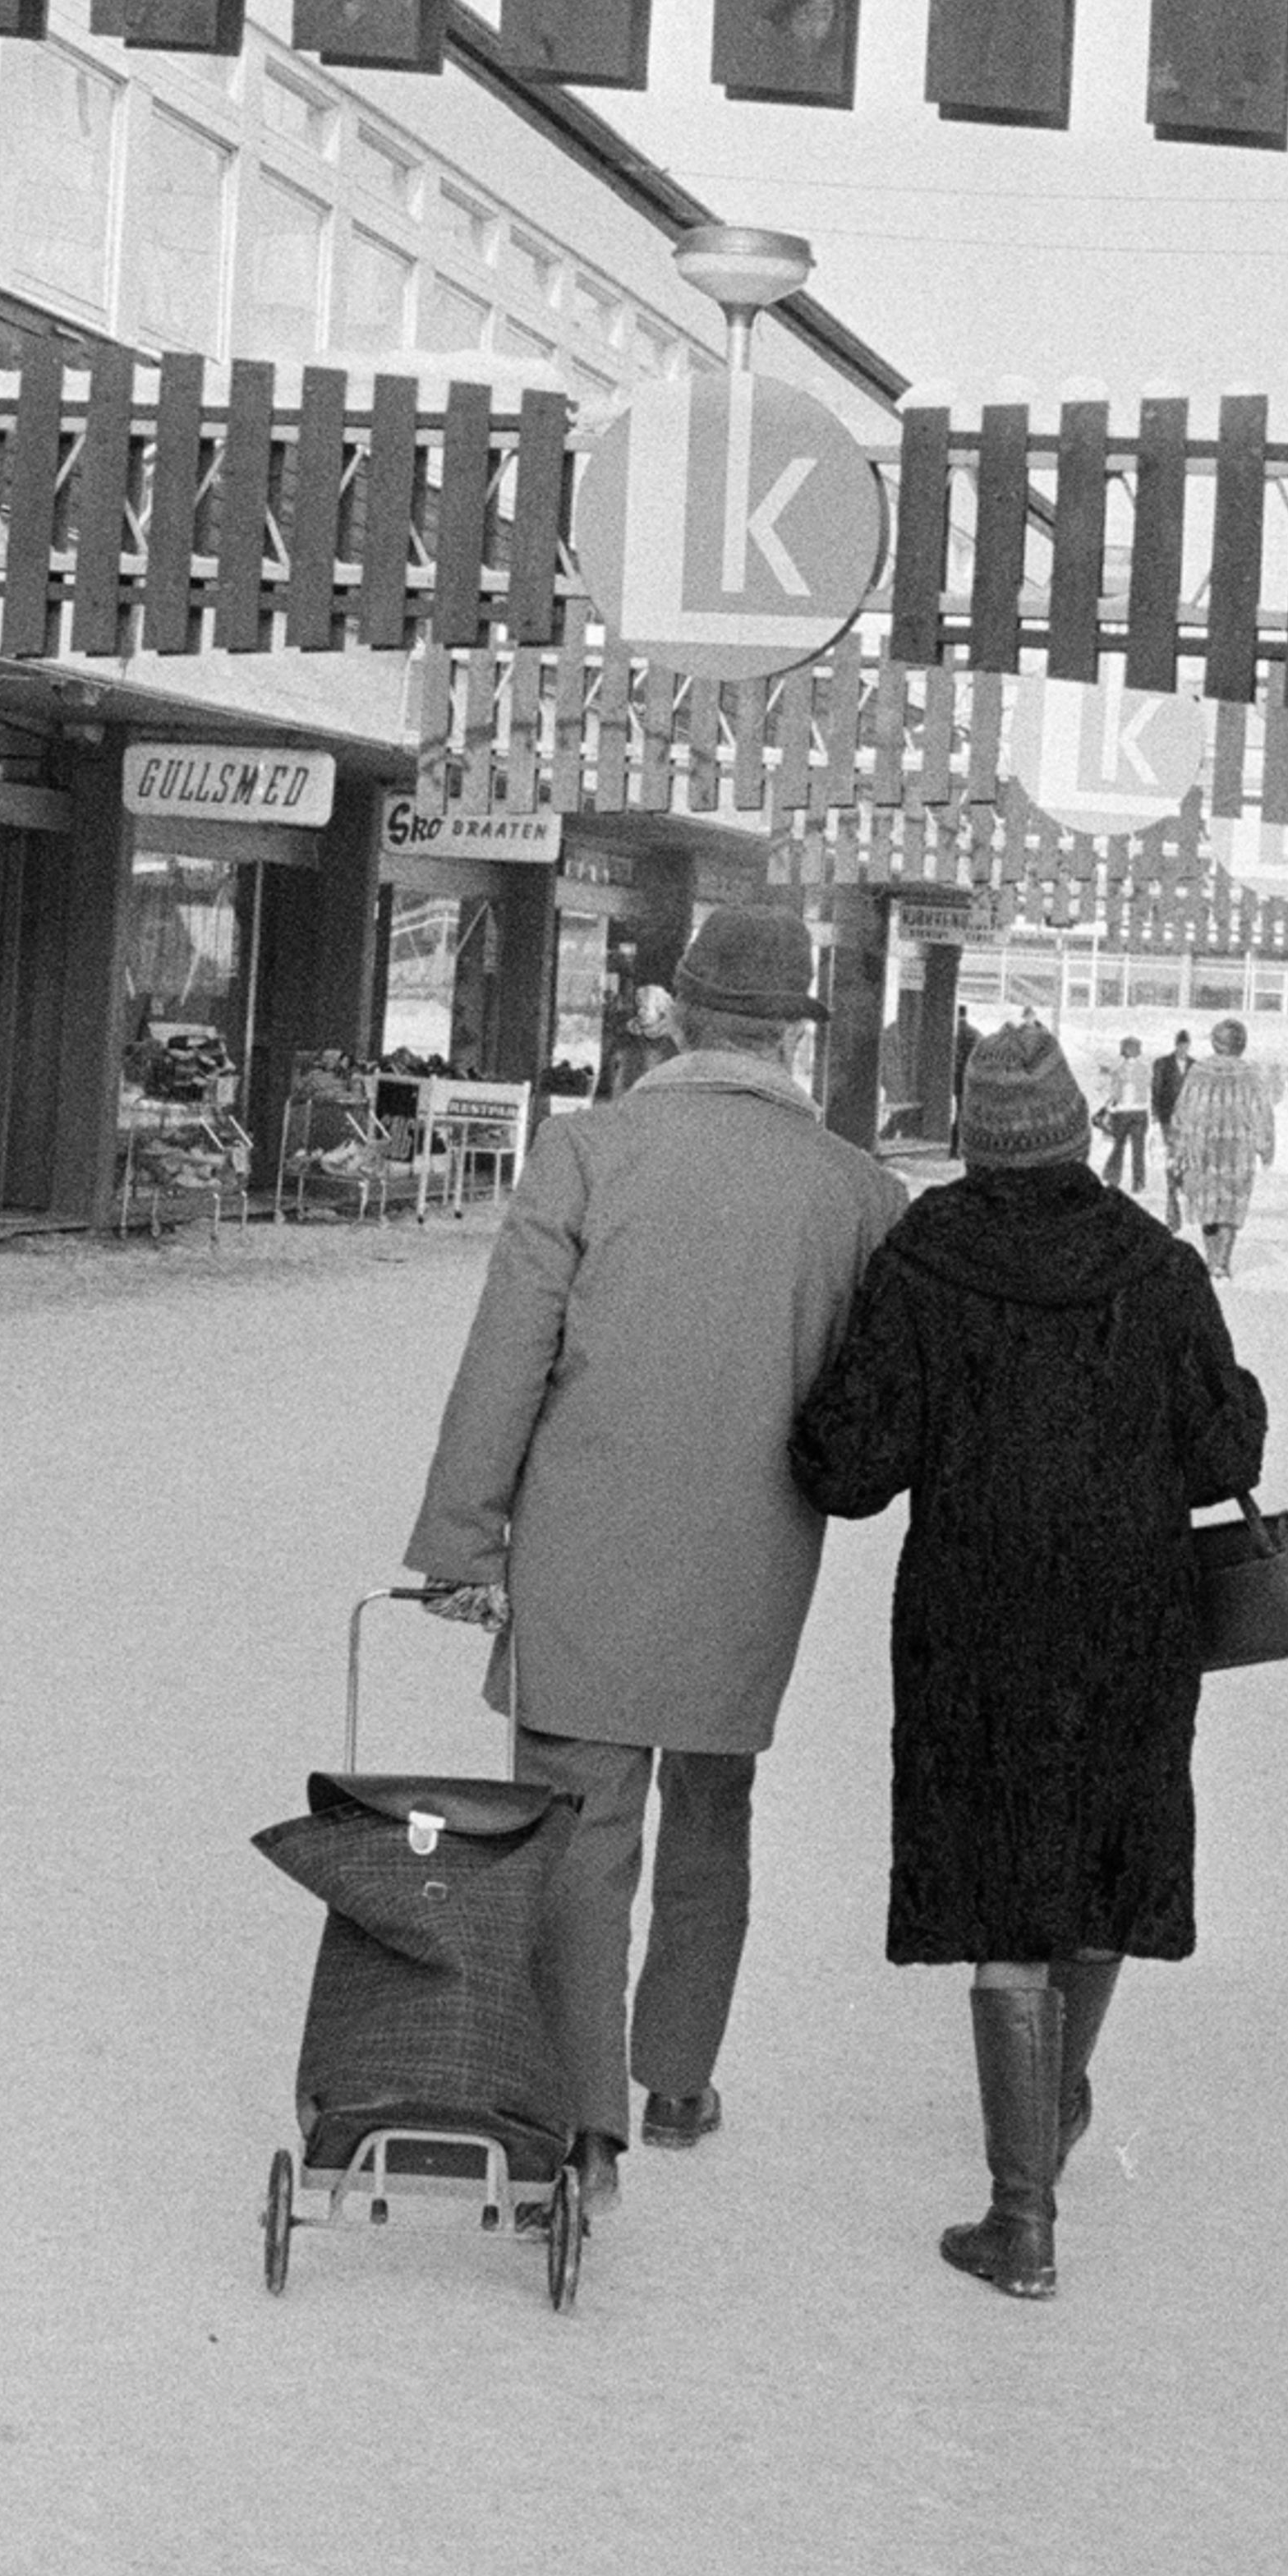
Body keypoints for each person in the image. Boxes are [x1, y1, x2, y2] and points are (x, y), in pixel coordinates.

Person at [403, 901, 904, 2214]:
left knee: (578, 1822)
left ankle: (583, 2120)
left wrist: (463, 1538)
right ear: (793, 1036)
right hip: (757, 1550)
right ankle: (679, 2074)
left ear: (673, 1018)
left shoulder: (585, 1153)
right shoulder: (861, 1193)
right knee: (715, 1802)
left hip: (584, 1545)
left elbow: (504, 1360)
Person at [793, 1015, 1270, 2303]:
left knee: (1001, 1885)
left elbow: (849, 1467)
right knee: (1103, 1864)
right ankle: (1050, 2106)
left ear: (974, 1140)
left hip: (975, 1615)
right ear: (1073, 1132)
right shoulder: (1157, 1265)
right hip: (1130, 1615)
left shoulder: (925, 1260)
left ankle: (1022, 2214)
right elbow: (1227, 1454)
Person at [1170, 1014, 1279, 1277]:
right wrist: (1265, 1145)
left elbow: (1183, 1109)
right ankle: (1222, 1261)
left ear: (1216, 1043)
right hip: (1237, 1150)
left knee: (1207, 1203)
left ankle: (1211, 1260)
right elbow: (1262, 1112)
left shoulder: (1198, 1071)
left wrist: (1177, 1143)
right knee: (1231, 1205)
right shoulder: (1250, 1074)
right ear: (1241, 1044)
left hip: (1202, 1146)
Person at [1148, 1022, 1196, 1223]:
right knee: (1171, 1149)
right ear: (1176, 1045)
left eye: (1186, 1045)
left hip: (1188, 1116)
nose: (1183, 1049)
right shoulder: (1163, 1064)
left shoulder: (1195, 1065)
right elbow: (1156, 1088)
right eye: (1181, 1045)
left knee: (1185, 1150)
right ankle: (1172, 1182)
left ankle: (1181, 1178)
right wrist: (1156, 1111)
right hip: (1168, 1114)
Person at [1099, 1034, 1155, 1195]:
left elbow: (1108, 1087)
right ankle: (1138, 1182)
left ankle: (1113, 1179)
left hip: (1123, 1112)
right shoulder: (1144, 1068)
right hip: (1139, 1111)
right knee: (1138, 1149)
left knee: (1119, 1146)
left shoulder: (1119, 1069)